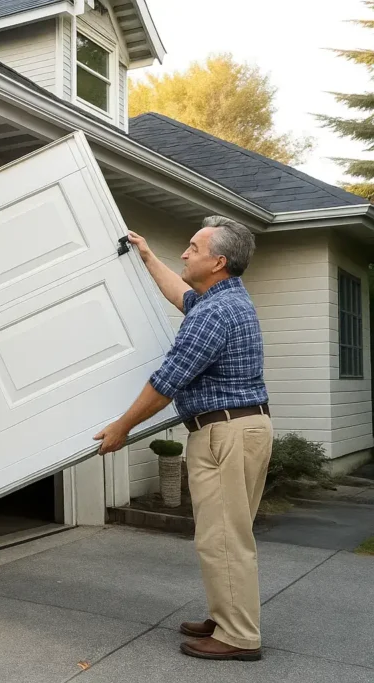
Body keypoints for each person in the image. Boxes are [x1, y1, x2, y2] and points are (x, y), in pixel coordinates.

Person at [94, 216, 272, 662]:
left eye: (194, 247)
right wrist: (148, 255)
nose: (186, 252)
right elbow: (181, 294)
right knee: (227, 534)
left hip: (225, 432)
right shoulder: (219, 301)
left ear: (219, 261)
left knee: (224, 539)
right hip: (236, 428)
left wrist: (122, 427)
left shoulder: (214, 314)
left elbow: (168, 379)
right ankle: (227, 615)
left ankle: (238, 636)